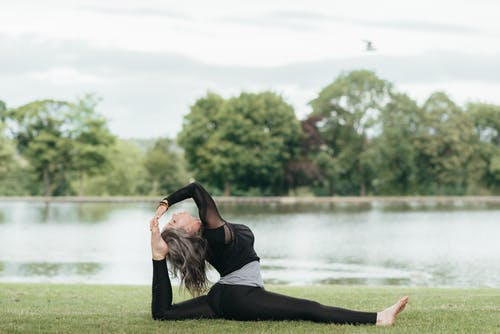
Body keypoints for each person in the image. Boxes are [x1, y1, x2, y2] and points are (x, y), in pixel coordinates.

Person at [149, 182, 408, 326]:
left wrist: (163, 206)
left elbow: (160, 313)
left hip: (223, 296)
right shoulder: (214, 233)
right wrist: (165, 207)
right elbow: (196, 189)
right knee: (308, 309)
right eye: (172, 223)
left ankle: (158, 256)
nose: (172, 218)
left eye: (170, 219)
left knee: (165, 313)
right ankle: (378, 318)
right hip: (239, 298)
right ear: (188, 232)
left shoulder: (210, 233)